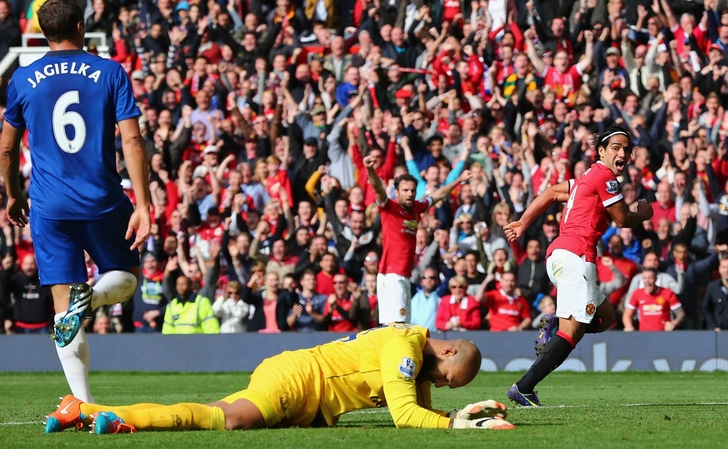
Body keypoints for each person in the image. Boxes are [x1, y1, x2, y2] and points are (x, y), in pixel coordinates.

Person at [0, 0, 150, 408]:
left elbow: (8, 148)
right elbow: (132, 140)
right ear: (82, 26)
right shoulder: (109, 71)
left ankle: (83, 404)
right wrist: (143, 203)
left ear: (42, 31)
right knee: (127, 277)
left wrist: (14, 195)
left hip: (49, 206)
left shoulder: (23, 78)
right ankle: (96, 297)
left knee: (64, 311)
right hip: (102, 198)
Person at [46, 324, 516, 433]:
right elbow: (406, 416)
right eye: (449, 379)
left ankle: (86, 411)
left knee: (217, 413)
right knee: (227, 421)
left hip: (297, 377)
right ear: (448, 351)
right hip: (298, 381)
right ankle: (101, 415)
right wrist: (454, 425)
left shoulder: (414, 351)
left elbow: (421, 407)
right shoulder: (404, 351)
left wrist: (458, 414)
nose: (442, 385)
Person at [502, 125, 653, 406]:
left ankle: (553, 331)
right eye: (616, 148)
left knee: (605, 317)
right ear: (601, 152)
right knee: (572, 331)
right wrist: (641, 214)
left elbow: (548, 193)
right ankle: (523, 387)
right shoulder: (605, 177)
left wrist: (524, 222)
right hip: (577, 257)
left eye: (626, 149)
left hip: (560, 254)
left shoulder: (584, 178)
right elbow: (621, 219)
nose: (622, 153)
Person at [364, 155, 470, 324]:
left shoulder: (416, 207)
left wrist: (460, 179)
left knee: (404, 324)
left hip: (405, 275)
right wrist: (370, 169)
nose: (410, 194)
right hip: (391, 276)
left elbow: (439, 195)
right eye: (405, 190)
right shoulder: (389, 207)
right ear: (396, 192)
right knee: (396, 325)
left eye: (413, 190)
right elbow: (378, 188)